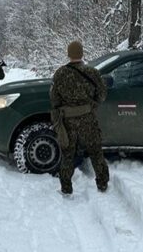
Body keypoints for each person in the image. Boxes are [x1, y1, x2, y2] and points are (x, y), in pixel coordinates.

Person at [49, 40, 109, 195]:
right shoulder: (92, 72)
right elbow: (102, 95)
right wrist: (92, 105)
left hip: (67, 120)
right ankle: (102, 184)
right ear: (82, 53)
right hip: (88, 118)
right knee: (96, 151)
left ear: (69, 54)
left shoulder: (60, 73)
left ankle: (66, 188)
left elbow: (54, 99)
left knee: (68, 153)